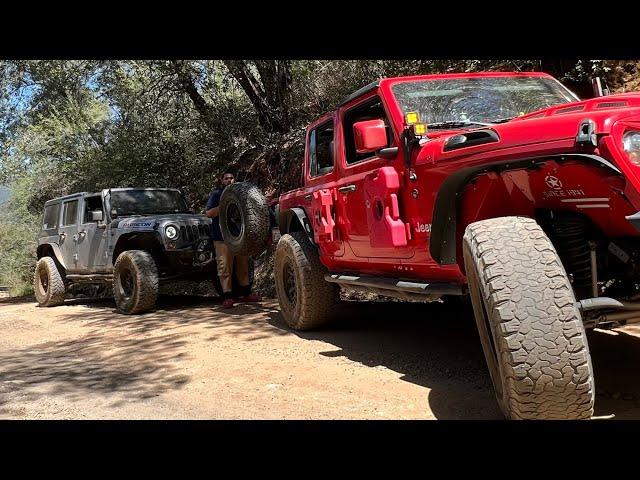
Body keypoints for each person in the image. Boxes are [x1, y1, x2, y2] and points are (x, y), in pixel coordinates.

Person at [206, 171, 262, 308]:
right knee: (224, 267)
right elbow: (208, 213)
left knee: (243, 265)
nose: (229, 180)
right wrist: (224, 205)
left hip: (239, 236)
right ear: (222, 180)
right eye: (226, 178)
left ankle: (246, 294)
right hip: (221, 237)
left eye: (231, 178)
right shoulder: (216, 194)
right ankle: (227, 297)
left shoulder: (240, 194)